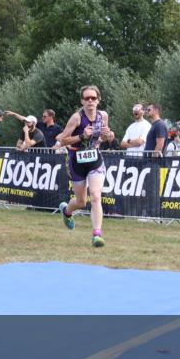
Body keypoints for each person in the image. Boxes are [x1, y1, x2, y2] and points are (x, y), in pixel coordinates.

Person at [56, 86, 114, 248]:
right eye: (87, 98)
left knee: (95, 196)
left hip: (94, 158)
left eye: (93, 98)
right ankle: (67, 211)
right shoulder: (76, 118)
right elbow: (63, 140)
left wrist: (109, 135)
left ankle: (97, 235)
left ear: (98, 100)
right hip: (76, 160)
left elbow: (102, 137)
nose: (90, 101)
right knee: (81, 202)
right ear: (82, 101)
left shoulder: (103, 116)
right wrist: (82, 136)